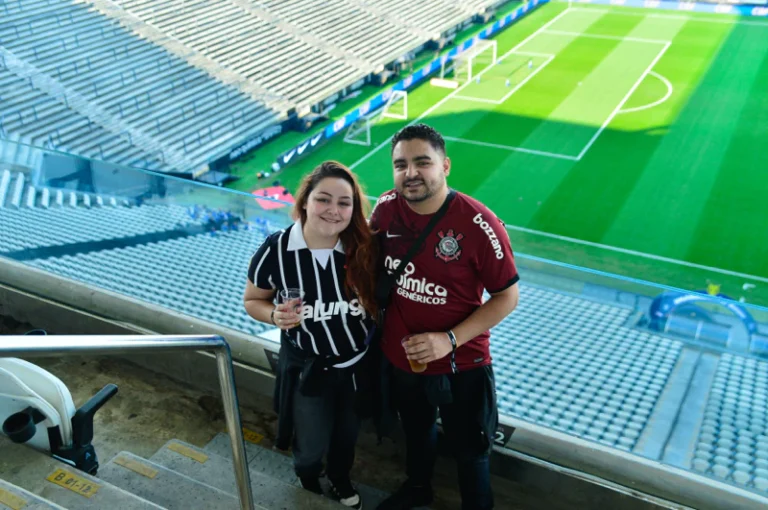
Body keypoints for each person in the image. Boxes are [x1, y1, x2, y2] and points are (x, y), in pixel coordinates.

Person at [371, 124, 520, 510]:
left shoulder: (479, 223)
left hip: (462, 362)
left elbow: (507, 296)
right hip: (403, 358)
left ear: (445, 166)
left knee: (471, 449)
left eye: (423, 162)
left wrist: (449, 339)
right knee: (415, 430)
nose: (411, 173)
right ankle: (419, 489)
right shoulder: (385, 209)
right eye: (400, 165)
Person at [244, 161, 378, 509]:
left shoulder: (364, 247)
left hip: (356, 368)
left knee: (347, 436)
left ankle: (340, 478)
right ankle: (307, 479)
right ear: (305, 201)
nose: (333, 210)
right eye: (323, 199)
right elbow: (253, 300)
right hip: (309, 370)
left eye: (344, 203)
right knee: (309, 444)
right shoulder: (276, 249)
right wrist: (274, 315)